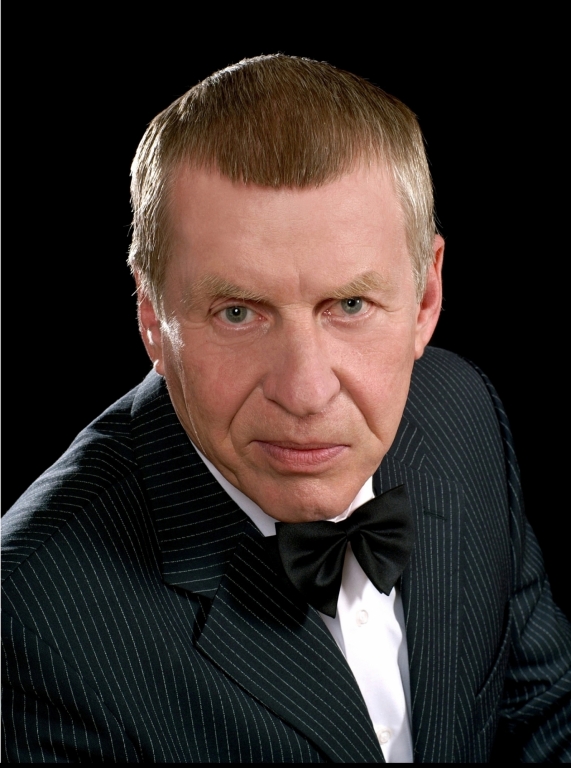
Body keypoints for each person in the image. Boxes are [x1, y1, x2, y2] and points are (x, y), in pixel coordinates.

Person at [2, 54, 570, 763]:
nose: (304, 393)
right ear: (151, 316)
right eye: (238, 312)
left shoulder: (462, 414)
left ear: (426, 298)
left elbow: (544, 717)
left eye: (351, 304)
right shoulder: (29, 622)